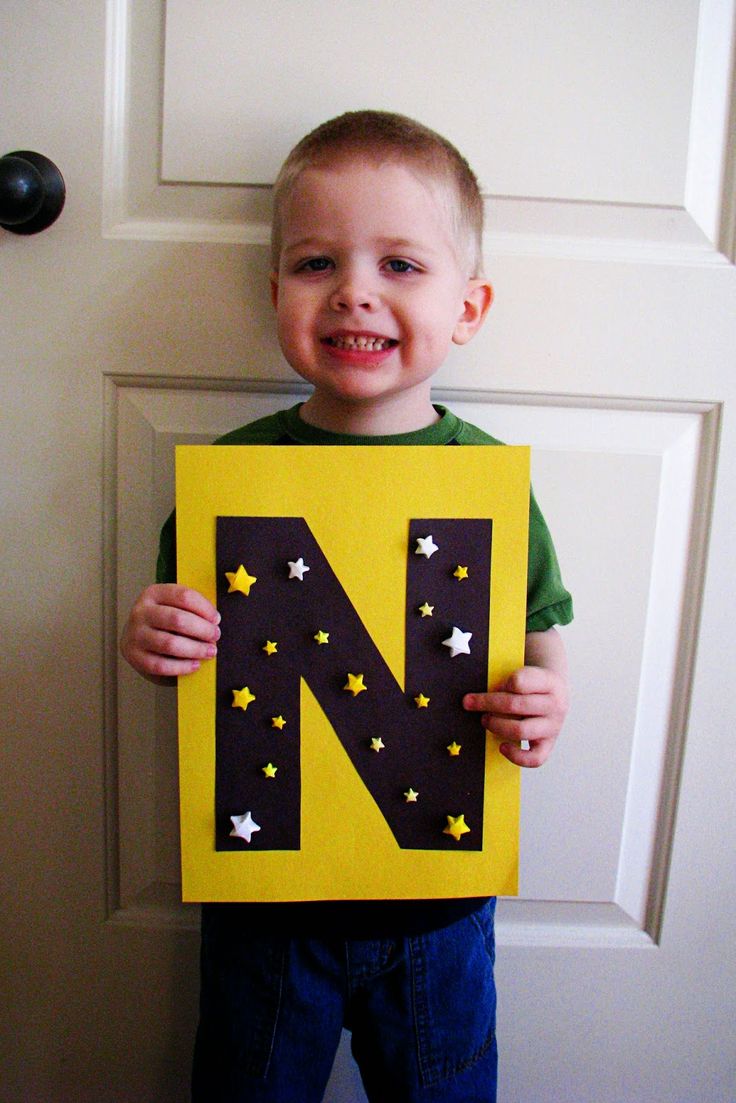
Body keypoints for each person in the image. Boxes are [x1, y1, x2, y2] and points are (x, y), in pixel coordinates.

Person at [121, 110, 573, 1103]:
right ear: (273, 290)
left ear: (469, 305)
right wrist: (153, 636)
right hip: (268, 907)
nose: (355, 290)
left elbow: (539, 638)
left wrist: (543, 699)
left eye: (401, 265)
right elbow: (187, 649)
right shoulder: (231, 479)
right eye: (316, 261)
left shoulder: (487, 481)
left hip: (438, 910)